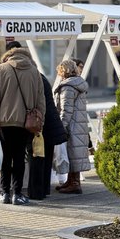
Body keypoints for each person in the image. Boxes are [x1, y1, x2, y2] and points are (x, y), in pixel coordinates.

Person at [0, 46, 46, 205]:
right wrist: (41, 119)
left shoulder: (0, 69)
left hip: (5, 121)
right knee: (20, 157)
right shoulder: (34, 71)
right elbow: (41, 98)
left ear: (8, 56)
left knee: (6, 157)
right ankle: (17, 194)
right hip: (25, 122)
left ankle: (5, 193)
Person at [52, 60, 91, 194]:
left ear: (64, 71)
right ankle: (71, 180)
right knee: (73, 153)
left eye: (59, 71)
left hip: (72, 125)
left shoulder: (68, 87)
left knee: (73, 153)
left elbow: (66, 110)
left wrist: (61, 127)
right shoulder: (77, 83)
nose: (59, 74)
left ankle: (74, 183)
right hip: (78, 124)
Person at [28, 74, 66, 200]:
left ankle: (37, 192)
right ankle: (44, 189)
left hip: (43, 124)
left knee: (38, 158)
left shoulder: (34, 78)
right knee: (46, 157)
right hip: (51, 123)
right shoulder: (41, 77)